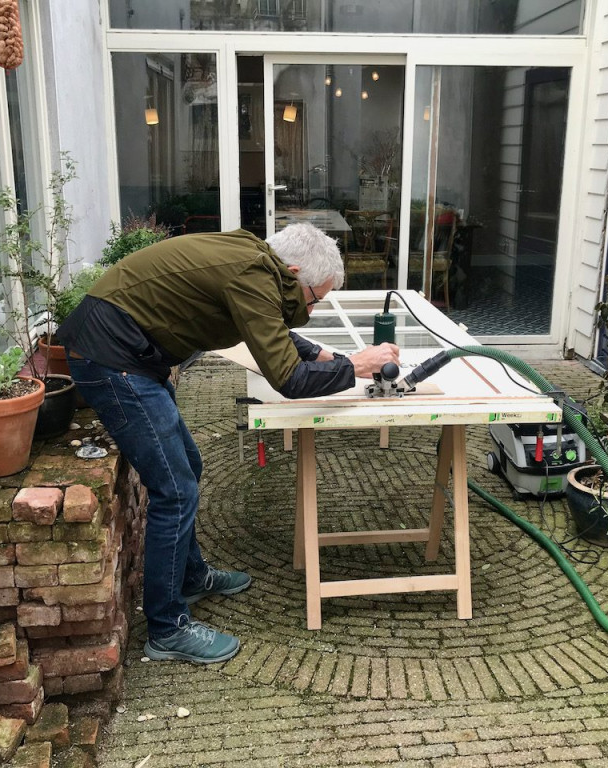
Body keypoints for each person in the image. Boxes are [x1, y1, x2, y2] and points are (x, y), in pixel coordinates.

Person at [56, 223, 400, 664]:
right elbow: (290, 380)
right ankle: (167, 628)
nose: (311, 310)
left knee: (189, 467)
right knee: (175, 490)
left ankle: (191, 577)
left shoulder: (253, 261)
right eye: (315, 299)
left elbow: (267, 329)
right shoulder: (252, 275)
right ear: (294, 273)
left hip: (127, 354)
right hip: (113, 360)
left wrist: (328, 357)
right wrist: (355, 366)